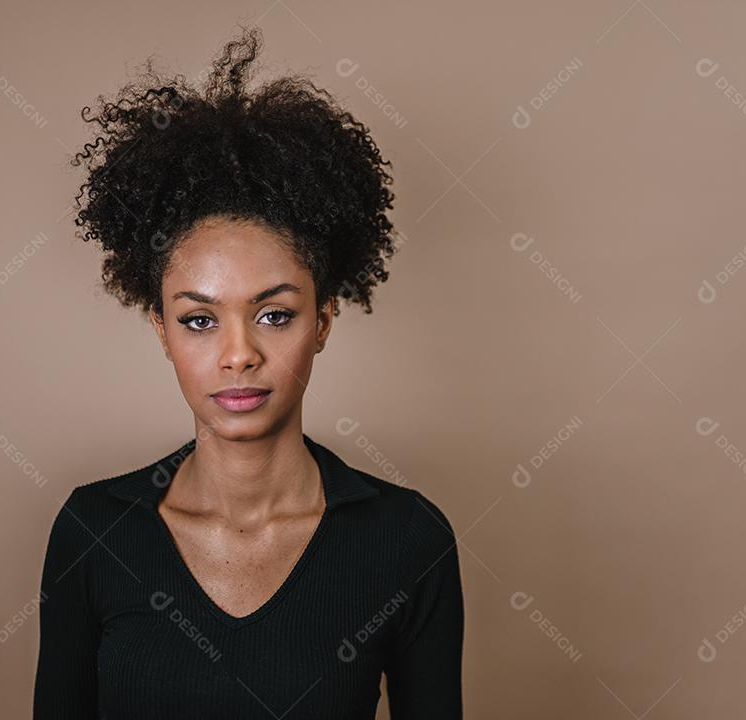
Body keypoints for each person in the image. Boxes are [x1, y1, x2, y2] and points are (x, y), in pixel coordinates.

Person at [33, 24, 464, 719]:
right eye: (200, 320)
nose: (239, 355)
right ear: (162, 331)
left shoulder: (407, 539)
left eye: (273, 314)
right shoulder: (95, 532)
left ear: (323, 319)